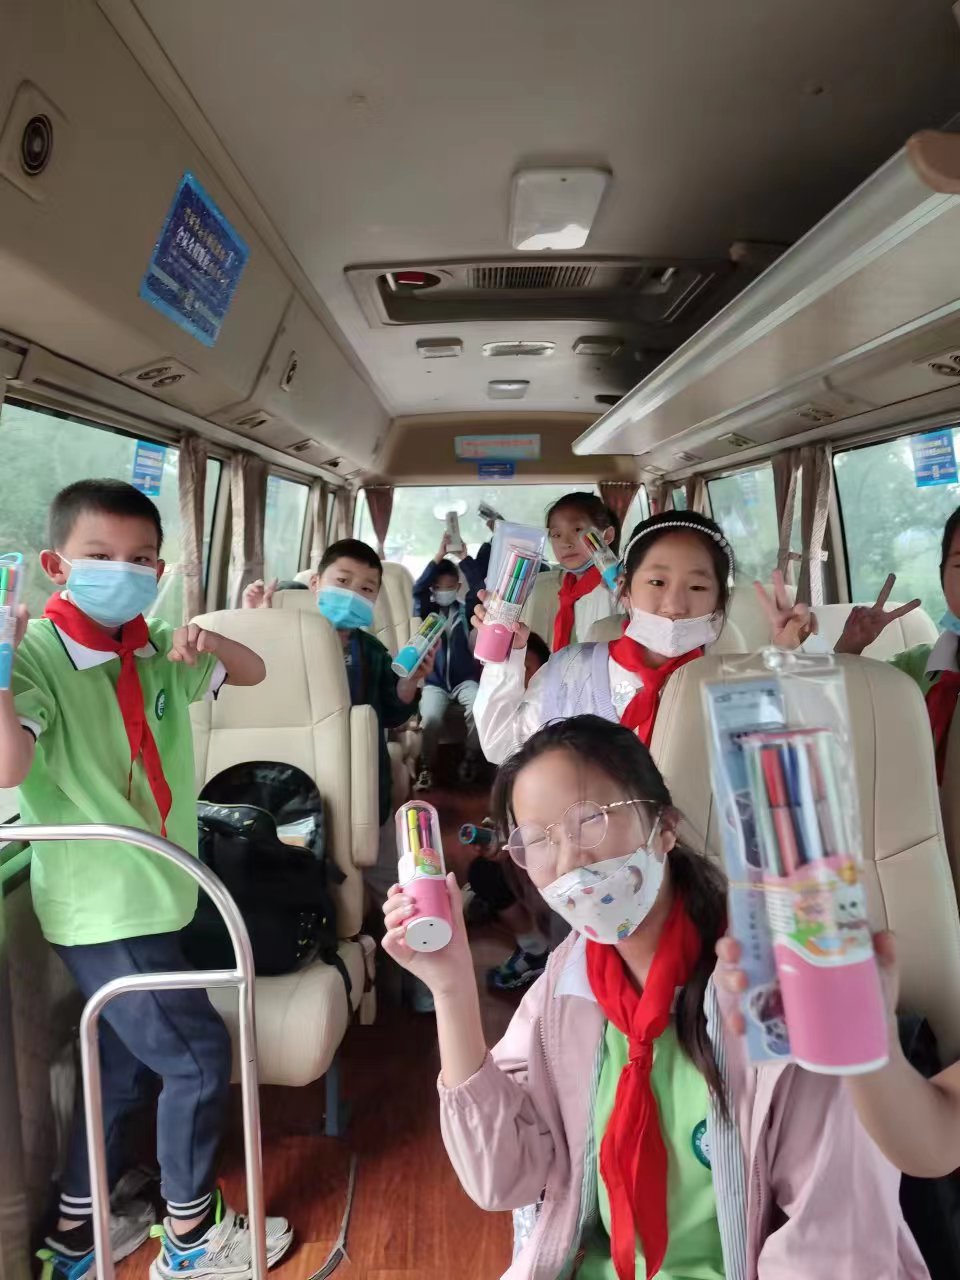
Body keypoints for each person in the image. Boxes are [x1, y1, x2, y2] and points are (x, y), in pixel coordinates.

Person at [382, 716, 926, 1279]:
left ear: (664, 826)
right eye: (538, 841)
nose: (568, 863)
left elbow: (836, 1243)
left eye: (590, 821)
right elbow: (503, 1179)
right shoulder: (568, 987)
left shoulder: (775, 998)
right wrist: (452, 988)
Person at [0, 480, 292, 1280]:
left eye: (140, 560)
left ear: (159, 572)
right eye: (100, 556)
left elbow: (253, 670)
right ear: (58, 566)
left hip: (158, 892)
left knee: (122, 1068)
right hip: (103, 903)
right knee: (196, 1056)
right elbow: (9, 767)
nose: (121, 572)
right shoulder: (37, 656)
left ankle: (80, 1228)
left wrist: (207, 638)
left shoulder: (155, 643)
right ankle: (191, 1237)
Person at [474, 511, 736, 764]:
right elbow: (503, 746)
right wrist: (504, 661)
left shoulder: (734, 689)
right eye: (657, 582)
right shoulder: (571, 671)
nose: (674, 605)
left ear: (719, 602)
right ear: (625, 587)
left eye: (697, 587)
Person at [244, 538, 434, 831]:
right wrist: (256, 624)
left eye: (366, 589)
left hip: (360, 776)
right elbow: (257, 698)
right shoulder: (282, 641)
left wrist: (410, 681)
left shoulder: (371, 652)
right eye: (343, 581)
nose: (352, 595)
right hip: (291, 777)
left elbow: (392, 716)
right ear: (316, 583)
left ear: (374, 599)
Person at [467, 631, 552, 992]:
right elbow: (507, 797)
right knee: (483, 871)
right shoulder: (506, 728)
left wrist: (517, 840)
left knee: (488, 875)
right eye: (505, 674)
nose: (515, 683)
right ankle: (532, 943)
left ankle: (538, 952)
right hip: (522, 832)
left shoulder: (554, 724)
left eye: (525, 670)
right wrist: (498, 829)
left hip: (556, 836)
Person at [412, 536, 484, 789]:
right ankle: (426, 766)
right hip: (435, 682)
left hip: (465, 680)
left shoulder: (466, 611)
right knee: (430, 718)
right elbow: (417, 589)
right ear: (433, 589)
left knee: (479, 708)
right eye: (439, 587)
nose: (444, 591)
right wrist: (439, 555)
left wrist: (464, 557)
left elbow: (480, 588)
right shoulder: (427, 613)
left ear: (457, 586)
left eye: (450, 586)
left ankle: (471, 757)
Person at [545, 492, 624, 649]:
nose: (566, 543)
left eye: (577, 530)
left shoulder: (619, 584)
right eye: (557, 535)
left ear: (607, 535)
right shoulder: (565, 592)